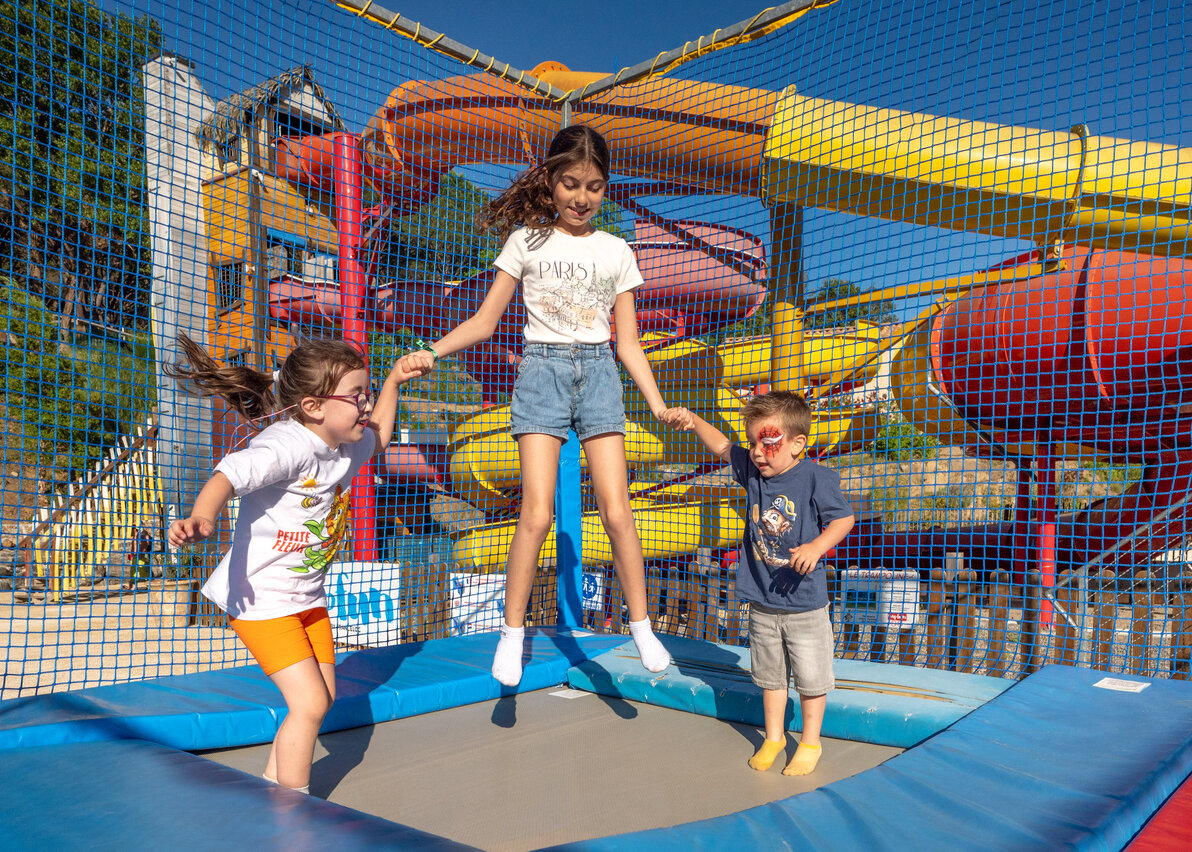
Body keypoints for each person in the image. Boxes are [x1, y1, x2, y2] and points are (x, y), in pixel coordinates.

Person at [397, 124, 693, 686]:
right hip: (542, 372)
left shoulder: (616, 251)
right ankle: (512, 636)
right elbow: (486, 320)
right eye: (571, 184)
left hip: (600, 372)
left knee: (617, 513)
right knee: (535, 513)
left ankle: (642, 625)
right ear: (551, 182)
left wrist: (654, 404)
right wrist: (431, 350)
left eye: (595, 187)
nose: (582, 198)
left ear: (607, 190)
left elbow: (626, 342)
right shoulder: (527, 242)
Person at [165, 333, 417, 795]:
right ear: (314, 406)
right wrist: (203, 516)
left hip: (306, 598)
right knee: (309, 703)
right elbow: (229, 473)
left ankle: (271, 787)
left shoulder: (343, 446)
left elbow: (379, 434)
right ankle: (296, 811)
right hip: (260, 600)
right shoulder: (286, 446)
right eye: (356, 396)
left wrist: (395, 382)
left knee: (320, 702)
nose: (364, 404)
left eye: (366, 393)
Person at [686, 390, 854, 776]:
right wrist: (694, 421)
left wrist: (816, 545)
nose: (759, 452)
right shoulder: (754, 474)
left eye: (769, 442)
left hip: (805, 604)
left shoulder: (814, 477)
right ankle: (774, 737)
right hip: (761, 599)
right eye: (754, 442)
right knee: (770, 676)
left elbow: (843, 519)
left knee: (811, 678)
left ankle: (810, 742)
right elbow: (723, 447)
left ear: (797, 444)